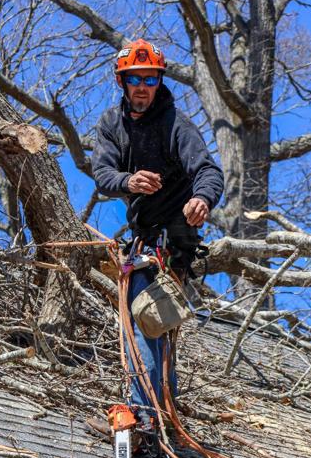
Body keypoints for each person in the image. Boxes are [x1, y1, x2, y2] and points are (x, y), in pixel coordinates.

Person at [90, 39, 224, 436]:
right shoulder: (112, 125)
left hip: (173, 243)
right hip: (142, 240)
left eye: (150, 78)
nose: (143, 86)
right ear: (123, 81)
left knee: (152, 323)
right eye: (135, 79)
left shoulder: (176, 124)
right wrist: (129, 180)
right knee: (150, 326)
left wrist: (202, 198)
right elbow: (103, 174)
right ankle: (158, 410)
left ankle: (148, 414)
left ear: (159, 80)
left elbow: (208, 170)